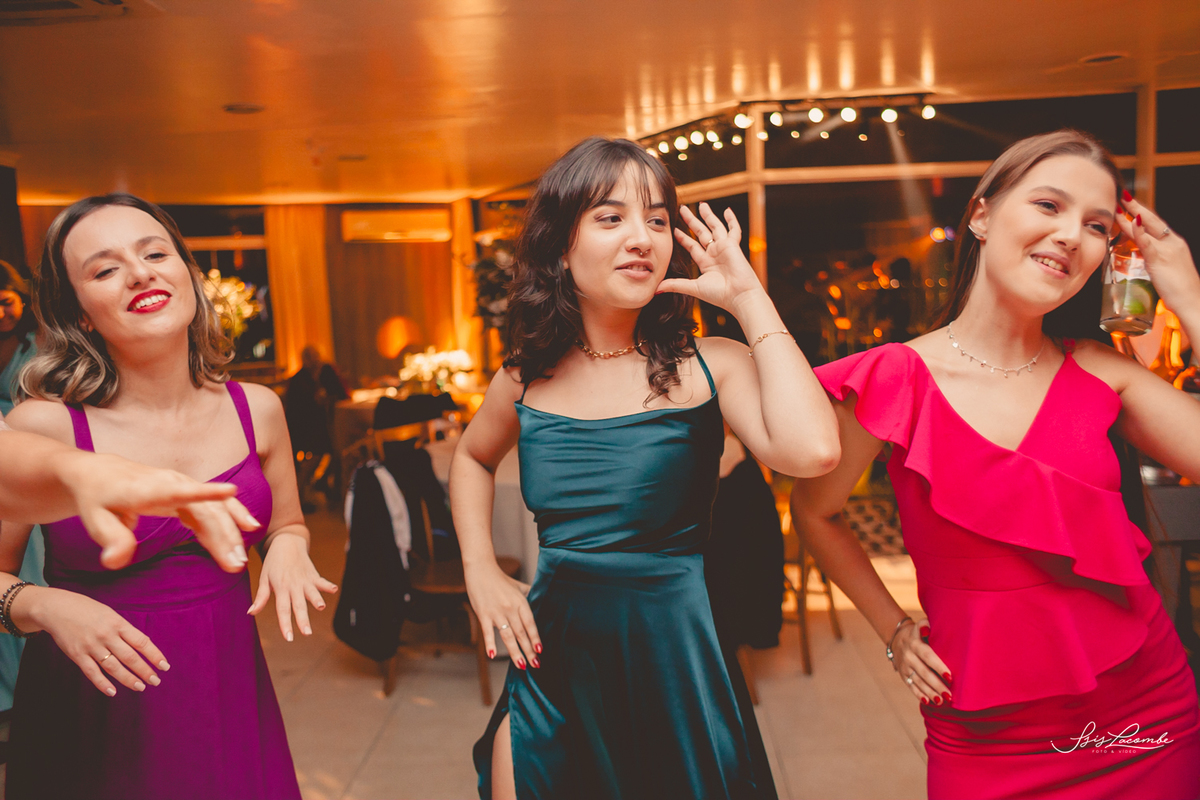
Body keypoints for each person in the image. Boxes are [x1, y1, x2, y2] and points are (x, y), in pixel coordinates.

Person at [791, 130, 1200, 799]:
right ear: (980, 216)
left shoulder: (1103, 372)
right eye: (1049, 205)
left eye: (1097, 226)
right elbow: (815, 510)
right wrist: (894, 630)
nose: (1071, 235)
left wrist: (1189, 297)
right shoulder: (894, 378)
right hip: (986, 739)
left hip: (1144, 720)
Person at [450, 136, 839, 800]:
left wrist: (748, 297)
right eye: (612, 217)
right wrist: (480, 569)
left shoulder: (710, 364)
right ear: (561, 247)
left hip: (676, 658)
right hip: (555, 658)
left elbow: (813, 452)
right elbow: (472, 456)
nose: (641, 238)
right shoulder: (524, 378)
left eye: (657, 220)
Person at [1, 193, 337, 800]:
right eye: (105, 269)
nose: (139, 273)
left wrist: (289, 546)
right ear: (79, 314)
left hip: (228, 689)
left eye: (155, 254)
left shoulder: (258, 410)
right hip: (93, 707)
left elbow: (286, 523)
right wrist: (46, 607)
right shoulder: (42, 426)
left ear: (188, 276)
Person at [0, 260, 48, 716]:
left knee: (27, 568)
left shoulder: (38, 349)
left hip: (26, 463)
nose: (1, 312)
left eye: (6, 301)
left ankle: (31, 685)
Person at [284, 344, 348, 507]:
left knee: (335, 449)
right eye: (312, 357)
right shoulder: (300, 379)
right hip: (303, 428)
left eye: (316, 356)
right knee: (320, 453)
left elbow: (341, 393)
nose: (316, 360)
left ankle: (320, 482)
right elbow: (298, 409)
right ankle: (300, 494)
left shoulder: (324, 373)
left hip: (316, 425)